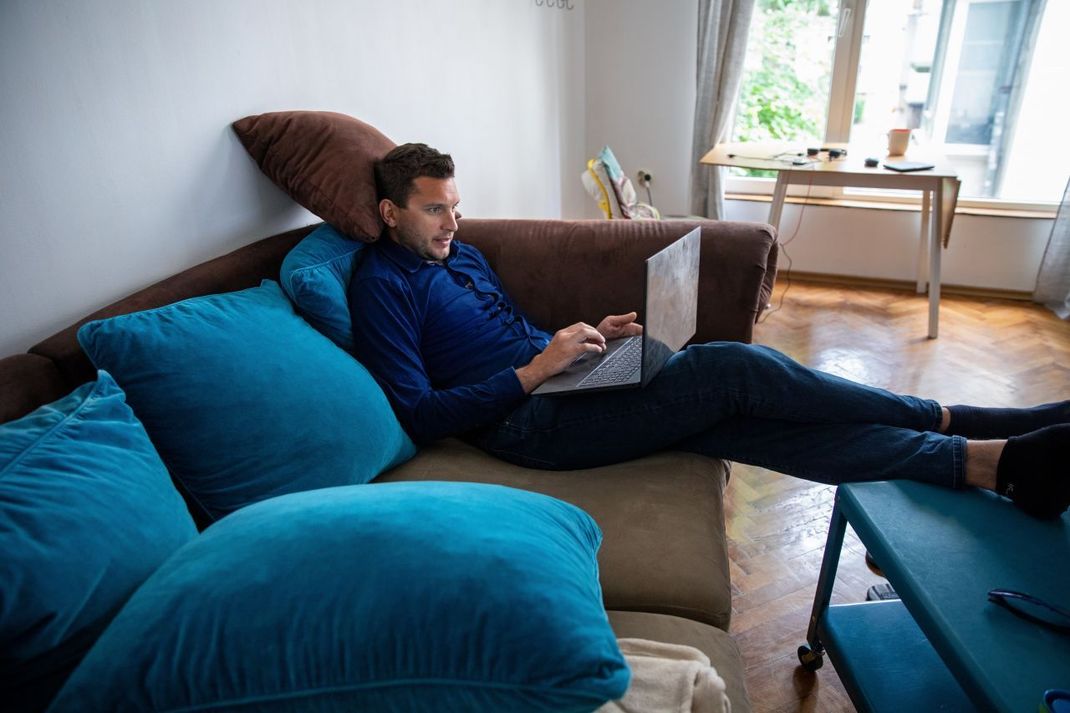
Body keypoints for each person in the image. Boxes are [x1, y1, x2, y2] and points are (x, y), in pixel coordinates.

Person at [347, 143, 1070, 519]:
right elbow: (417, 411)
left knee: (748, 428)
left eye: (456, 206)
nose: (454, 223)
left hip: (560, 387)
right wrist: (538, 373)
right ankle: (956, 418)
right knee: (730, 370)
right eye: (435, 210)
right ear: (388, 212)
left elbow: (510, 331)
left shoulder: (461, 252)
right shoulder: (381, 288)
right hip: (527, 428)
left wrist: (582, 338)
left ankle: (989, 464)